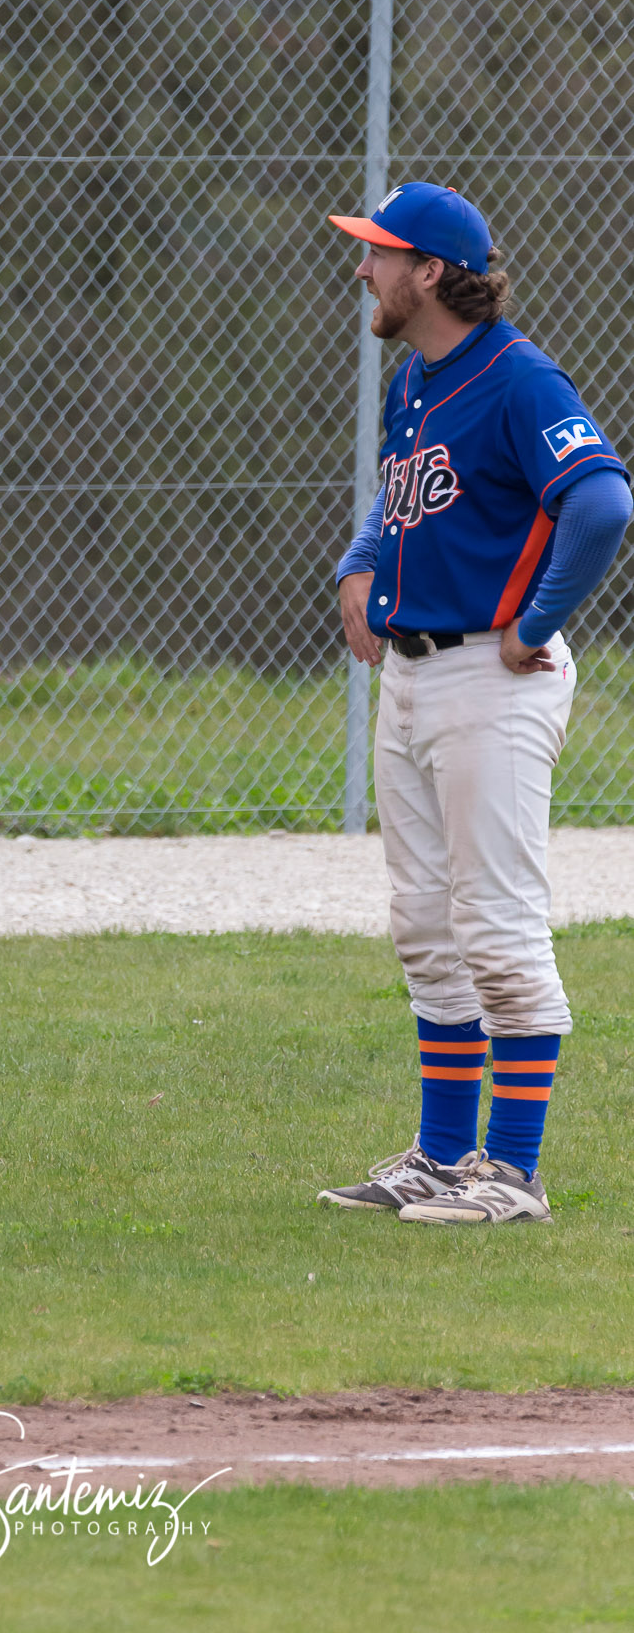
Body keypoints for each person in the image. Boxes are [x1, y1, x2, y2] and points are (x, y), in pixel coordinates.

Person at [318, 182, 630, 1225]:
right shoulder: (420, 377)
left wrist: (536, 624)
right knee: (425, 926)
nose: (364, 269)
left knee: (496, 927)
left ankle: (514, 1171)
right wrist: (360, 562)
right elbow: (398, 492)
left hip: (491, 682)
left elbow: (601, 499)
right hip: (411, 674)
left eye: (380, 254)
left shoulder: (518, 378)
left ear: (434, 273)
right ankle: (444, 1157)